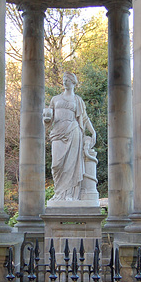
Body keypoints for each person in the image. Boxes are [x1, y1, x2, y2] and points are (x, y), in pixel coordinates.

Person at [43, 72, 96, 202]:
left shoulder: (77, 100)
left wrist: (93, 131)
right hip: (57, 133)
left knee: (71, 165)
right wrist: (46, 120)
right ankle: (58, 193)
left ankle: (69, 194)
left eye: (67, 79)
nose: (64, 81)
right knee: (56, 165)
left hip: (73, 131)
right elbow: (49, 117)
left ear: (73, 82)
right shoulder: (55, 99)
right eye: (63, 79)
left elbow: (84, 118)